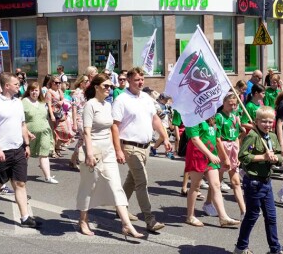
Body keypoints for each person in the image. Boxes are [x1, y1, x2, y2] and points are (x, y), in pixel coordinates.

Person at [76, 73, 143, 238]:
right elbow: (86, 131)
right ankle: (83, 220)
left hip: (108, 152)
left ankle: (126, 225)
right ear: (96, 87)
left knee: (116, 187)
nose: (109, 89)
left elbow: (113, 128)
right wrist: (90, 153)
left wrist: (117, 149)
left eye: (111, 86)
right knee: (89, 186)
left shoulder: (107, 105)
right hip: (94, 151)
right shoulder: (90, 105)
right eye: (106, 86)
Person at [111, 67, 171, 232]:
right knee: (142, 181)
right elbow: (115, 127)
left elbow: (155, 119)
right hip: (130, 147)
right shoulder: (121, 99)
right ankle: (149, 219)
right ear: (129, 80)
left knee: (132, 180)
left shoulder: (146, 97)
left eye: (142, 79)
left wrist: (165, 137)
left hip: (145, 147)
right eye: (137, 79)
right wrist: (118, 150)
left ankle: (119, 207)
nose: (140, 82)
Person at [0, 72, 38, 228]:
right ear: (7, 86)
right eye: (16, 84)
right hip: (1, 151)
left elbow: (22, 125)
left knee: (20, 183)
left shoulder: (18, 103)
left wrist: (27, 145)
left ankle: (24, 217)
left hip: (18, 150)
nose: (19, 86)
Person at [234, 106, 283, 254]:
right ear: (256, 121)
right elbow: (243, 157)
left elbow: (280, 156)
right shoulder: (253, 136)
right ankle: (241, 247)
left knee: (271, 217)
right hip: (253, 182)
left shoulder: (273, 137)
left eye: (270, 122)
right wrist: (262, 157)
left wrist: (276, 159)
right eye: (264, 122)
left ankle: (275, 249)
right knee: (252, 215)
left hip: (266, 181)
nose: (267, 125)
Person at [183, 114, 241, 228]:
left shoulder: (213, 119)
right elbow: (195, 139)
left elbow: (217, 139)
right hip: (197, 155)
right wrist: (209, 154)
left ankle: (223, 217)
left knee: (216, 185)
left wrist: (224, 157)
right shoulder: (193, 118)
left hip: (211, 156)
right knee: (195, 185)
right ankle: (190, 216)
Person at [216, 93, 246, 219]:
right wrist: (226, 157)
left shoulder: (235, 116)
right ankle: (208, 203)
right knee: (217, 181)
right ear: (224, 103)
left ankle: (244, 210)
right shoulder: (219, 117)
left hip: (233, 148)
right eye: (230, 104)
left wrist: (237, 155)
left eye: (235, 104)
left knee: (236, 182)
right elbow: (217, 138)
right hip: (223, 148)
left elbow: (237, 137)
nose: (233, 106)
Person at [22, 82, 59, 184]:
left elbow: (46, 116)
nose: (34, 92)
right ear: (29, 91)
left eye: (36, 90)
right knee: (26, 155)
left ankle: (48, 177)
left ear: (39, 92)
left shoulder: (42, 102)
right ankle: (21, 176)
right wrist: (27, 132)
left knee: (44, 154)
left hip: (44, 131)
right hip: (29, 134)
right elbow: (21, 121)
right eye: (32, 90)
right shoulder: (23, 102)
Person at [70, 75, 89, 170]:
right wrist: (74, 123)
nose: (88, 82)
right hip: (79, 118)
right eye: (86, 81)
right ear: (81, 82)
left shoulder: (85, 92)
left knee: (82, 140)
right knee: (85, 138)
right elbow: (74, 109)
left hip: (86, 117)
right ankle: (79, 159)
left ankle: (73, 159)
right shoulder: (76, 93)